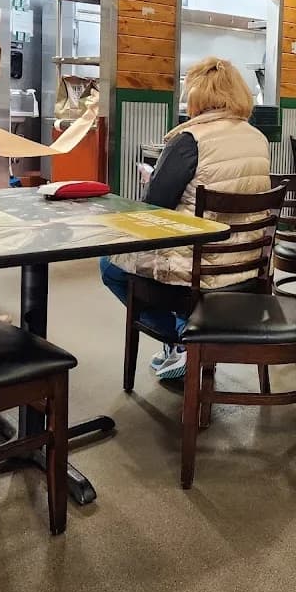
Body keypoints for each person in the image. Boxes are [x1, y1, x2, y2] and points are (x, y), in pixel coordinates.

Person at [100, 57, 270, 381]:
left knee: (110, 267)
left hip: (195, 274)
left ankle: (182, 343)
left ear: (197, 95)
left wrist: (151, 179)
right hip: (245, 269)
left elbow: (153, 209)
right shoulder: (258, 139)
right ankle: (187, 339)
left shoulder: (189, 140)